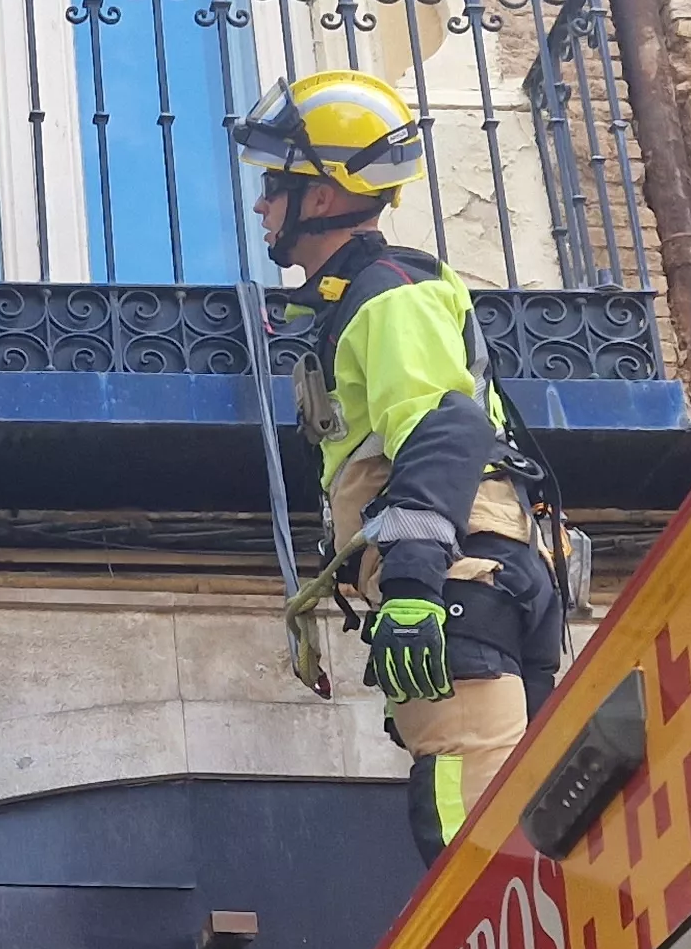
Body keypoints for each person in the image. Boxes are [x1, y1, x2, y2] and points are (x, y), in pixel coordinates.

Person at [239, 69, 566, 860]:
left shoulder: (385, 297)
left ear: (321, 196)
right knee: (522, 801)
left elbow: (444, 428)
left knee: (466, 792)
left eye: (274, 186)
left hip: (457, 574)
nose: (260, 207)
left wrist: (414, 586)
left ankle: (485, 935)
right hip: (484, 567)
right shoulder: (376, 295)